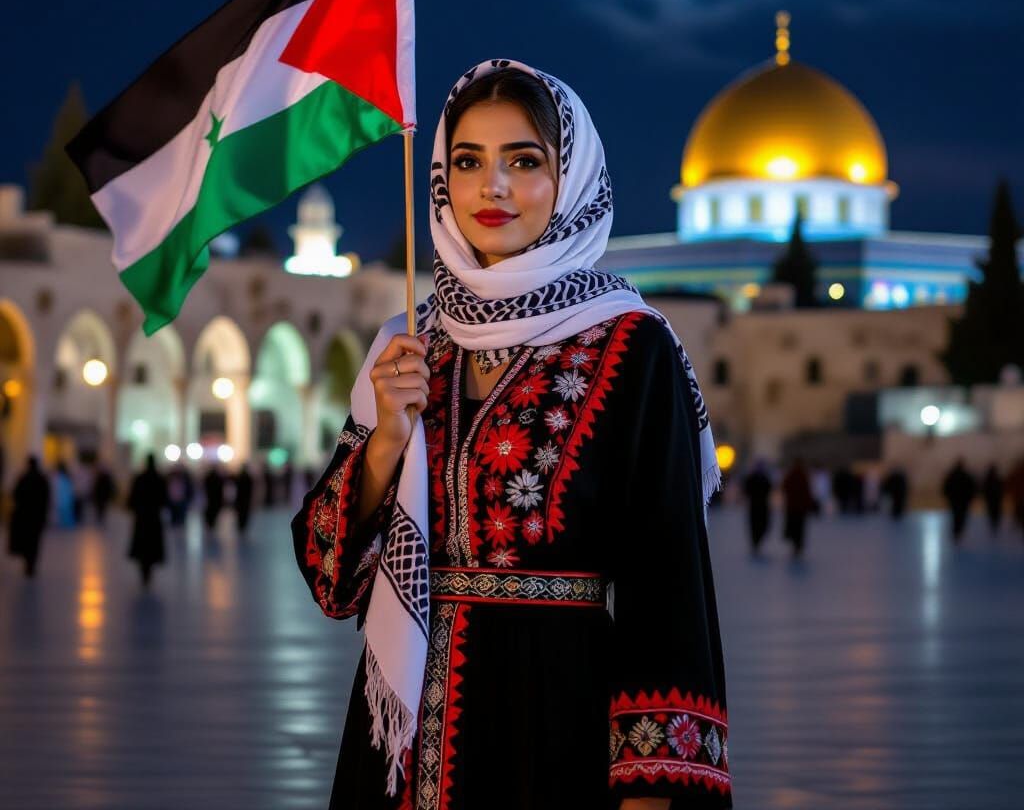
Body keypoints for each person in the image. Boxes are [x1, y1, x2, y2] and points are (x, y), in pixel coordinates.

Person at [291, 61, 732, 809]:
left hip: (556, 731)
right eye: (468, 162)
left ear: (572, 180)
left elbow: (669, 592)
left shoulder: (629, 346)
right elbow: (332, 583)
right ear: (441, 181)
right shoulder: (411, 343)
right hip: (399, 750)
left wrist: (652, 792)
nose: (492, 187)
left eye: (523, 161)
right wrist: (386, 445)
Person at [127, 454, 169, 587]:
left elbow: (132, 499)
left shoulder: (139, 478)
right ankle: (148, 572)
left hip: (142, 518)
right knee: (151, 546)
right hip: (154, 518)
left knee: (142, 547)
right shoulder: (159, 479)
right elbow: (164, 499)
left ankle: (144, 571)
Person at [7, 455, 50, 577]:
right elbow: (46, 498)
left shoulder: (23, 478)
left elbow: (15, 495)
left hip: (24, 516)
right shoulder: (42, 479)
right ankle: (31, 563)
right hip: (37, 516)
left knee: (26, 539)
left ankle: (28, 563)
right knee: (35, 541)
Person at [782, 458, 815, 558]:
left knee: (794, 527)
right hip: (799, 508)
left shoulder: (792, 475)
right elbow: (807, 491)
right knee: (799, 528)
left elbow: (784, 487)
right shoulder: (803, 475)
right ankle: (798, 546)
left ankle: (796, 545)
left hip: (793, 507)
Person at [942, 457, 977, 544]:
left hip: (955, 501)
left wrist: (948, 496)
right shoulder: (966, 475)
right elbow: (971, 488)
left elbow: (946, 487)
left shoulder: (952, 475)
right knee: (961, 517)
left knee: (956, 517)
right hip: (962, 501)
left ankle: (956, 532)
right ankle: (958, 532)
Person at [742, 458, 772, 555]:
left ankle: (756, 542)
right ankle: (756, 543)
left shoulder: (763, 478)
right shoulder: (755, 477)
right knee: (756, 526)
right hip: (757, 506)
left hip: (760, 506)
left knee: (760, 526)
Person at [981, 463, 1004, 535]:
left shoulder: (988, 480)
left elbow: (984, 490)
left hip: (991, 499)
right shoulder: (998, 479)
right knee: (995, 513)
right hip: (996, 499)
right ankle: (994, 525)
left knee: (992, 512)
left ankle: (993, 525)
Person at [202, 463, 224, 530]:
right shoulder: (218, 478)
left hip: (210, 499)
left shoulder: (208, 477)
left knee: (210, 513)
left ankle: (210, 525)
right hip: (214, 499)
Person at [234, 462, 254, 534]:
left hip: (240, 499)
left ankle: (241, 526)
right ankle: (243, 526)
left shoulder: (239, 476)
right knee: (244, 513)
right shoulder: (248, 477)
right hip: (245, 499)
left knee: (241, 513)